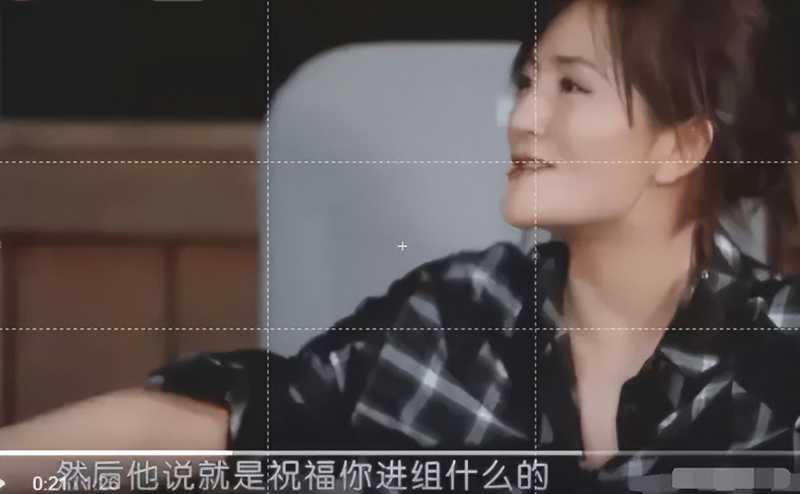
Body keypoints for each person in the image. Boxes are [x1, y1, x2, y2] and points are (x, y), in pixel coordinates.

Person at [2, 0, 799, 492]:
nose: (523, 117)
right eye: (528, 82)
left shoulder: (781, 353)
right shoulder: (453, 318)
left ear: (679, 147)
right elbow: (226, 431)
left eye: (571, 86)